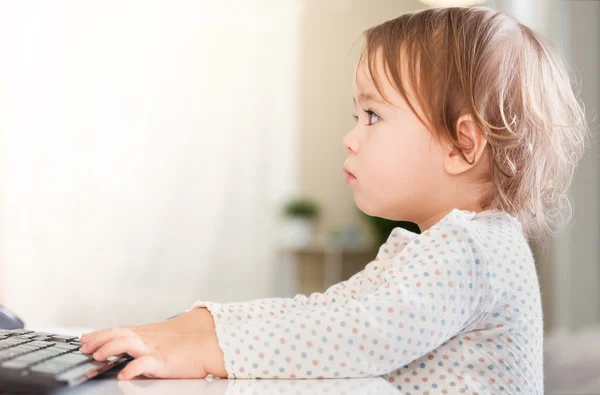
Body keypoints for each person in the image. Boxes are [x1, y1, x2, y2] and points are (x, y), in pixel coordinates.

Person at [79, 6, 588, 394]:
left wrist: (213, 347)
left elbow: (357, 333)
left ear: (462, 145)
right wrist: (208, 324)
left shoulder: (472, 251)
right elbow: (329, 309)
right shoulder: (437, 246)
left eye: (372, 116)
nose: (350, 137)